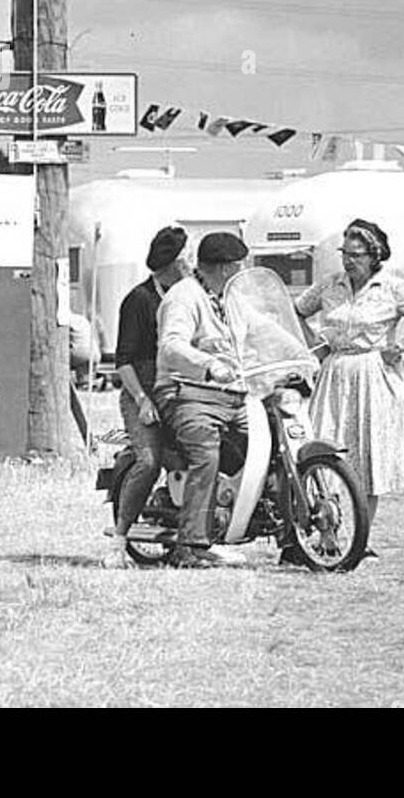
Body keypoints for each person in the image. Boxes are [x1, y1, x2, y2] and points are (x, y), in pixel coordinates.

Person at [294, 219, 404, 548]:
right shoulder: (330, 285)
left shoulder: (391, 287)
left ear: (374, 256)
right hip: (335, 372)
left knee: (367, 457)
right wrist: (315, 347)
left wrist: (400, 347)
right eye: (344, 253)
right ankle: (327, 534)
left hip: (374, 374)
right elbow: (296, 311)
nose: (349, 261)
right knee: (323, 451)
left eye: (357, 254)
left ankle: (362, 537)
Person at [154, 232, 252, 569]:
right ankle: (190, 545)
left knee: (276, 439)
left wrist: (301, 355)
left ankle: (289, 535)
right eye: (240, 266)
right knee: (206, 451)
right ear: (225, 268)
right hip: (186, 392)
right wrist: (209, 364)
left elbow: (263, 328)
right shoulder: (183, 297)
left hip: (233, 393)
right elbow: (171, 346)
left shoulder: (231, 297)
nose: (244, 271)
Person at [102, 225, 188, 569]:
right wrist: (142, 400)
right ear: (172, 263)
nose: (192, 263)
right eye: (186, 257)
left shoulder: (190, 295)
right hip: (145, 394)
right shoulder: (139, 300)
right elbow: (122, 361)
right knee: (149, 461)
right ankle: (120, 539)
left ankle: (196, 538)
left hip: (181, 393)